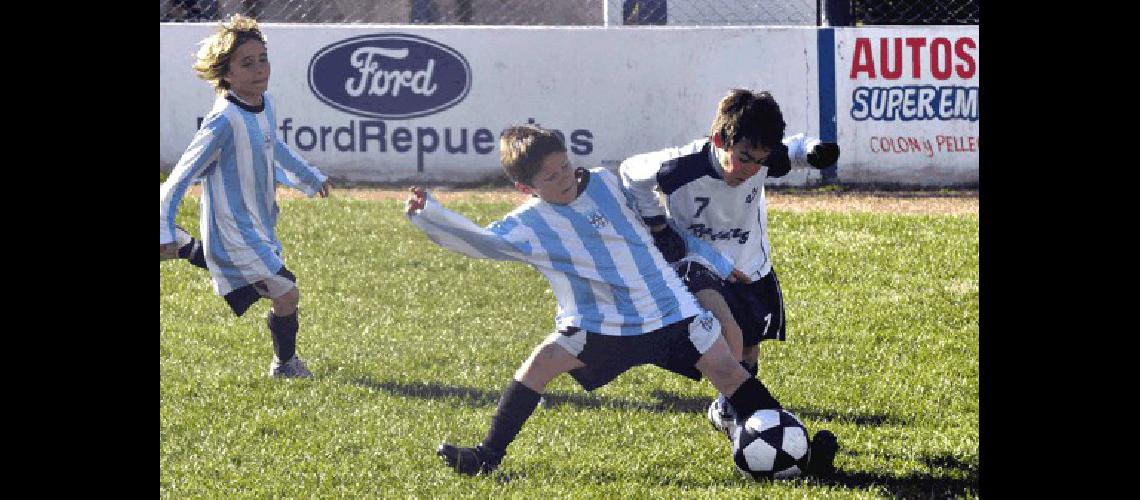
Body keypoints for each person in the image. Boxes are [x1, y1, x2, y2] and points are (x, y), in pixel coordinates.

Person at [405, 124, 837, 477]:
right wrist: (431, 214)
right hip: (601, 324)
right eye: (551, 177)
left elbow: (663, 226)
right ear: (525, 187)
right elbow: (479, 242)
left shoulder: (610, 183)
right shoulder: (529, 225)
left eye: (566, 167)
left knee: (728, 369)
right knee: (540, 364)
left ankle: (798, 452)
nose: (565, 179)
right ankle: (486, 456)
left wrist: (716, 263)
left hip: (669, 310)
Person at [619, 88, 841, 435]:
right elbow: (630, 172)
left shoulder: (762, 160)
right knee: (730, 335)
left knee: (749, 347)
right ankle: (748, 426)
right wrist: (659, 226)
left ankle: (726, 411)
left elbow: (793, 149)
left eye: (760, 161)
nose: (752, 170)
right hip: (696, 263)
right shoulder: (680, 166)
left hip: (750, 265)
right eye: (745, 157)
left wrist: (814, 152)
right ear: (719, 139)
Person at [160, 14, 332, 378]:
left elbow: (276, 147)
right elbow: (180, 176)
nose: (259, 70)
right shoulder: (223, 121)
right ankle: (285, 366)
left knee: (279, 291)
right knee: (286, 292)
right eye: (247, 63)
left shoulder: (264, 105)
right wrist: (163, 221)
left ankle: (189, 249)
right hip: (234, 230)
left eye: (263, 59)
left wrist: (310, 177)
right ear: (226, 74)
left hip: (260, 224)